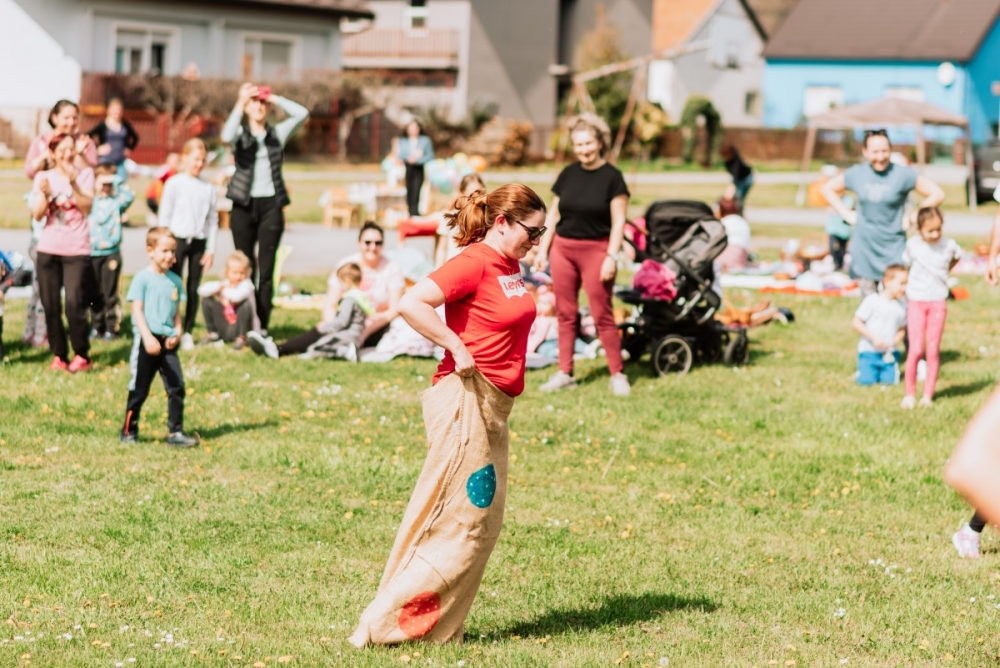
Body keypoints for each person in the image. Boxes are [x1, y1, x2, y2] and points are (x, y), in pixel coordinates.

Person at [349, 183, 546, 647]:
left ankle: (433, 627)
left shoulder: (510, 264)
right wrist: (456, 346)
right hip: (465, 399)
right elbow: (411, 302)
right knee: (460, 522)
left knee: (479, 524)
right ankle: (380, 627)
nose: (537, 241)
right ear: (503, 223)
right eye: (533, 232)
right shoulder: (474, 261)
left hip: (494, 406)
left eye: (541, 233)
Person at [532, 113, 631, 396]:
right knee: (565, 313)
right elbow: (554, 214)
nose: (583, 149)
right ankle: (565, 372)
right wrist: (543, 249)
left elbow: (619, 222)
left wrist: (611, 256)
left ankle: (617, 373)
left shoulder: (613, 178)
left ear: (599, 143)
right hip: (563, 250)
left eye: (588, 143)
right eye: (578, 144)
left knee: (602, 314)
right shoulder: (568, 174)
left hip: (597, 251)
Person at [222, 82, 309, 334]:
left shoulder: (277, 134)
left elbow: (302, 114)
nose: (259, 107)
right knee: (245, 267)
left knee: (267, 271)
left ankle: (262, 325)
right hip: (243, 204)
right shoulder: (240, 134)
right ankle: (245, 322)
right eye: (254, 102)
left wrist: (276, 98)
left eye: (262, 103)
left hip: (271, 205)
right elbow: (226, 136)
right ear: (247, 107)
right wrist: (240, 101)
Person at [822, 129, 945, 297]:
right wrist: (847, 214)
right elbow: (827, 189)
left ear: (891, 150)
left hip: (894, 249)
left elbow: (937, 193)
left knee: (895, 303)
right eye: (875, 152)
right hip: (864, 250)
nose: (880, 157)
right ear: (865, 152)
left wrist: (913, 216)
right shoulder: (857, 173)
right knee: (870, 305)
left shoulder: (903, 174)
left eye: (884, 151)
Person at [120, 228, 198, 448]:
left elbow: (176, 312)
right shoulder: (142, 279)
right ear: (150, 251)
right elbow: (137, 311)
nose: (170, 256)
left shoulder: (175, 281)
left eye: (173, 251)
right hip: (147, 341)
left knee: (176, 386)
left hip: (168, 342)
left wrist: (177, 332)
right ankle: (128, 430)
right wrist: (147, 337)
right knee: (139, 388)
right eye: (164, 251)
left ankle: (176, 432)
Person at [30, 133, 96, 372]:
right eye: (62, 150)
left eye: (71, 149)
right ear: (53, 154)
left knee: (74, 304)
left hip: (76, 249)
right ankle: (59, 355)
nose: (68, 154)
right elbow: (37, 215)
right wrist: (45, 194)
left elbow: (87, 208)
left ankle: (81, 355)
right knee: (50, 305)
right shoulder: (43, 177)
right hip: (48, 249)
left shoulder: (85, 174)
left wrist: (74, 183)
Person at [158, 138, 219, 349]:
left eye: (203, 160)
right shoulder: (174, 183)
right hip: (177, 241)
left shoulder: (208, 188)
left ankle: (188, 331)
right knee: (172, 285)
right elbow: (165, 215)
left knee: (193, 287)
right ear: (185, 158)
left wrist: (210, 249)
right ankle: (168, 326)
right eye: (195, 159)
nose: (199, 164)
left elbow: (213, 220)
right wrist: (164, 245)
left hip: (198, 242)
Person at [900, 207, 961, 409]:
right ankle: (910, 393)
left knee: (933, 349)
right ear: (919, 229)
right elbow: (906, 265)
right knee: (916, 348)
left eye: (938, 229)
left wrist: (944, 272)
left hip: (937, 301)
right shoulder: (912, 246)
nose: (935, 234)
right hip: (916, 300)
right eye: (930, 231)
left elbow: (956, 257)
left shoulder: (949, 245)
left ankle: (928, 395)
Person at [247, 262, 372, 361]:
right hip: (352, 336)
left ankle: (343, 351)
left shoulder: (349, 299)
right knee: (317, 343)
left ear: (347, 281)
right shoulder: (361, 297)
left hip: (346, 337)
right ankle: (278, 348)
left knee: (316, 347)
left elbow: (342, 322)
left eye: (340, 282)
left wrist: (326, 327)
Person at [89, 163, 135, 340]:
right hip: (92, 253)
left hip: (111, 253)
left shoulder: (117, 202)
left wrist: (117, 180)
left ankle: (111, 327)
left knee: (110, 292)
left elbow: (130, 196)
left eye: (110, 184)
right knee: (94, 292)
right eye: (103, 183)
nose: (106, 187)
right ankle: (96, 325)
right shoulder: (91, 202)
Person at [851, 264, 907, 386]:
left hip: (888, 352)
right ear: (887, 281)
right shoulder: (872, 300)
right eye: (901, 283)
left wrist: (895, 340)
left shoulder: (902, 306)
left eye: (906, 284)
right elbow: (856, 322)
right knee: (866, 382)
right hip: (869, 351)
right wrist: (874, 338)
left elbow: (902, 329)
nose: (904, 288)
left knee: (890, 382)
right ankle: (862, 371)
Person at [197, 251, 257, 350]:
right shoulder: (225, 284)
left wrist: (222, 292)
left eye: (242, 273)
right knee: (206, 300)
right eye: (235, 273)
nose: (238, 276)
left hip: (239, 327)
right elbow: (201, 290)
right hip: (225, 326)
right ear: (227, 272)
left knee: (245, 304)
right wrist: (220, 286)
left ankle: (241, 339)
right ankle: (213, 334)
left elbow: (237, 297)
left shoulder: (247, 285)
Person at [25, 100, 98, 180]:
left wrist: (79, 155)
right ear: (55, 118)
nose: (71, 122)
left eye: (75, 118)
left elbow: (93, 174)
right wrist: (43, 157)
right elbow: (29, 173)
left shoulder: (85, 142)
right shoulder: (42, 141)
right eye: (66, 118)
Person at [434, 173, 485, 267]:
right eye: (470, 195)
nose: (474, 199)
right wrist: (438, 269)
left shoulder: (486, 219)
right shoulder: (449, 218)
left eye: (478, 193)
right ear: (462, 194)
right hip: (452, 268)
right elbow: (442, 249)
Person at [86, 97, 139, 181]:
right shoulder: (103, 125)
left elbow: (135, 138)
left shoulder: (125, 125)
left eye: (119, 110)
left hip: (120, 161)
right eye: (115, 109)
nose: (117, 112)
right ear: (109, 110)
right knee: (106, 183)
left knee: (121, 183)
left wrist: (129, 148)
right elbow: (88, 136)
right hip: (106, 162)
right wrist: (97, 149)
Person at [398, 120, 434, 216]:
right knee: (409, 191)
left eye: (415, 128)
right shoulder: (403, 141)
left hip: (419, 168)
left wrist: (418, 159)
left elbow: (430, 155)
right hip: (408, 168)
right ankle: (410, 213)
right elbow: (401, 154)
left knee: (416, 190)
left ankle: (415, 213)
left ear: (419, 129)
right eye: (411, 128)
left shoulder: (425, 141)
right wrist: (409, 158)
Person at [721, 144, 753, 211]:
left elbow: (736, 175)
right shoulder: (727, 162)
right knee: (734, 196)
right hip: (738, 179)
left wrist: (732, 186)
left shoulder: (737, 161)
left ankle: (738, 212)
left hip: (746, 178)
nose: (725, 157)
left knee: (739, 196)